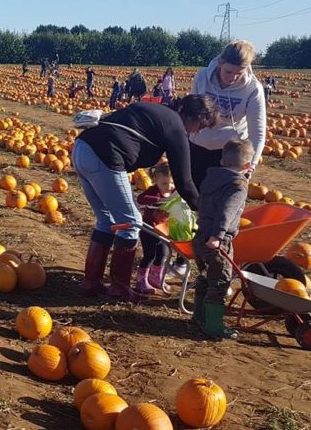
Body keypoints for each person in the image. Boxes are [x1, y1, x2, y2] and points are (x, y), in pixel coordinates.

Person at [73, 95, 218, 301]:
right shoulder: (176, 126)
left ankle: (91, 283)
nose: (197, 131)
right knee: (131, 222)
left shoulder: (158, 111)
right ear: (194, 116)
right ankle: (119, 288)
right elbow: (185, 183)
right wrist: (205, 212)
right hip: (104, 155)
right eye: (200, 125)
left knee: (107, 220)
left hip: (82, 148)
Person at [190, 139, 254, 340]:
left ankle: (198, 316)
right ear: (246, 166)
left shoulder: (210, 177)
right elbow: (226, 212)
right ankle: (213, 326)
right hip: (218, 241)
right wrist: (217, 236)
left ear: (221, 160)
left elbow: (201, 203)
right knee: (219, 281)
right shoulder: (238, 186)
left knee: (205, 276)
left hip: (200, 237)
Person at [189, 39, 266, 188]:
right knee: (194, 197)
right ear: (220, 63)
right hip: (198, 145)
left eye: (239, 73)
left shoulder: (253, 89)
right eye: (228, 71)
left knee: (221, 199)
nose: (233, 77)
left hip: (231, 153)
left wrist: (250, 166)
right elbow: (191, 112)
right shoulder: (202, 77)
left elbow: (257, 132)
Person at [135, 162, 175, 295]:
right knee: (149, 255)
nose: (168, 187)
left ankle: (155, 278)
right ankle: (141, 280)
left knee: (162, 255)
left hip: (164, 231)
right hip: (149, 230)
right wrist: (158, 200)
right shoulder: (153, 191)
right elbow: (141, 198)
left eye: (171, 183)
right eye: (164, 183)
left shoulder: (174, 193)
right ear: (155, 180)